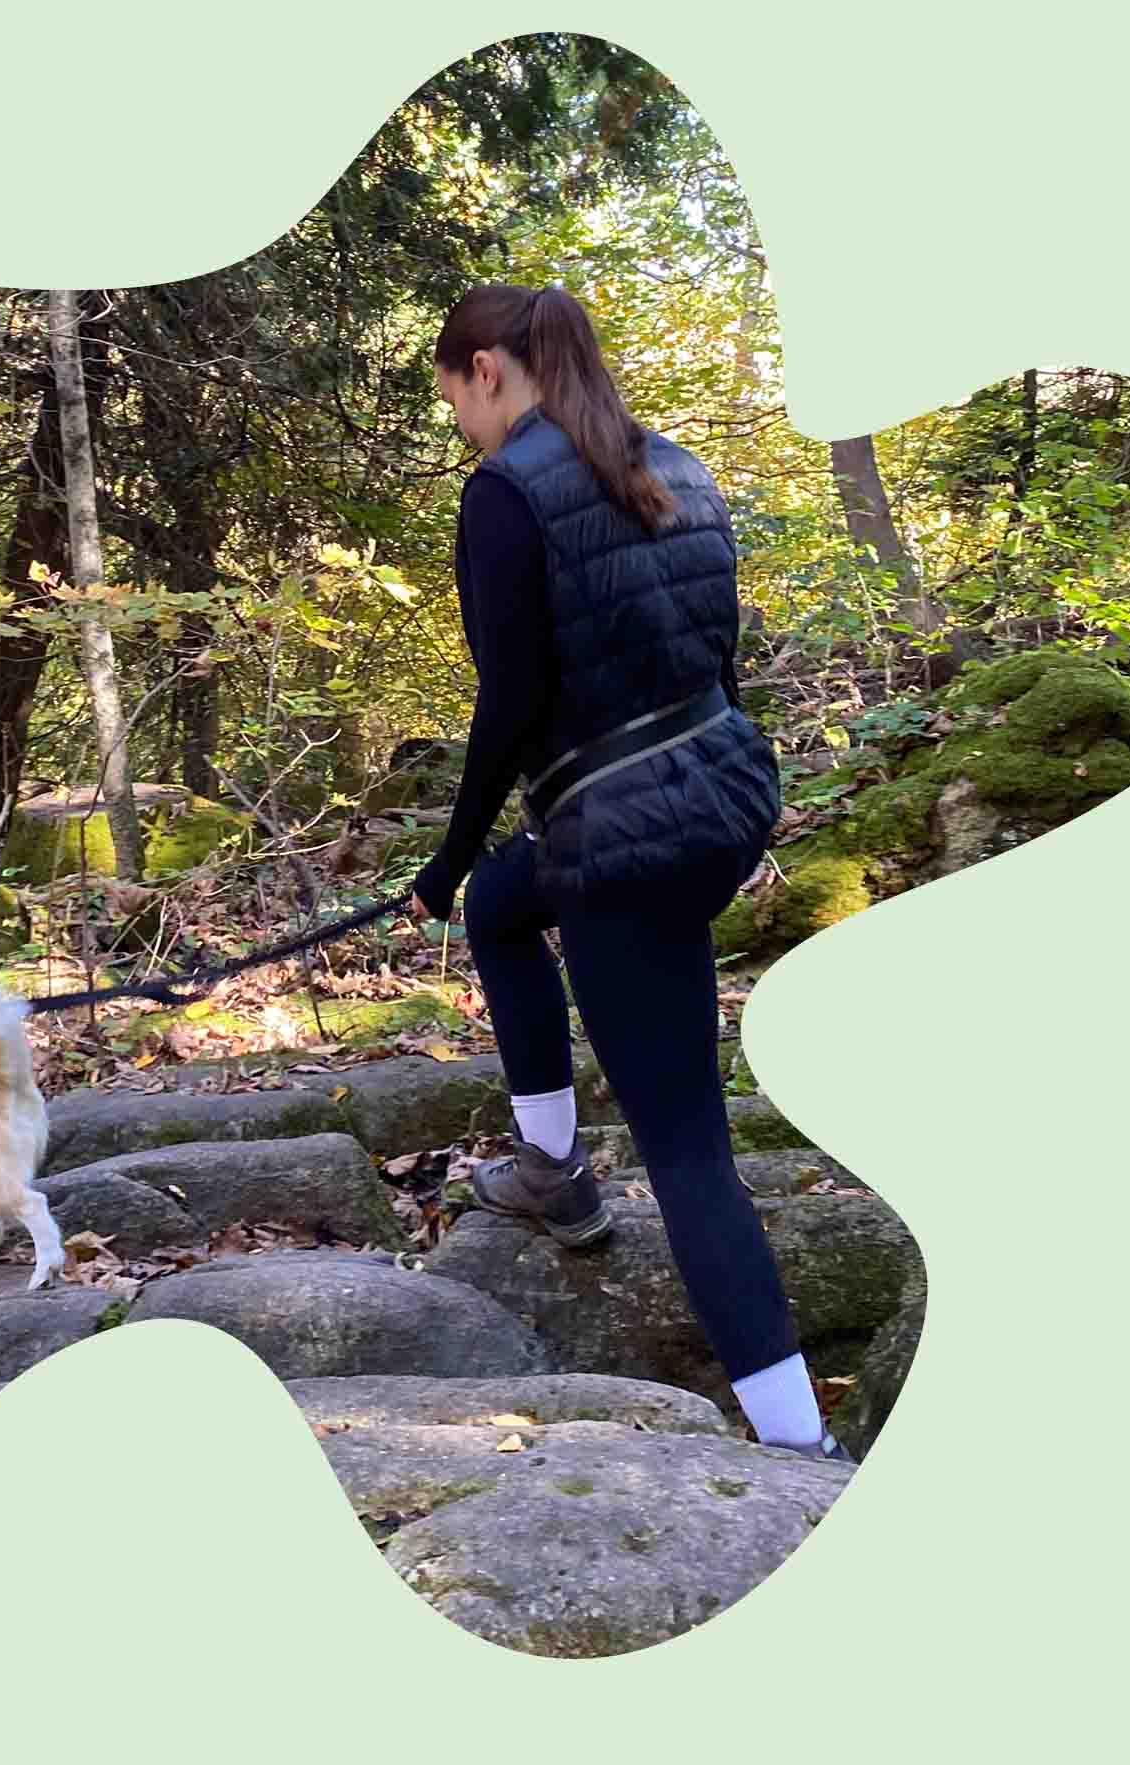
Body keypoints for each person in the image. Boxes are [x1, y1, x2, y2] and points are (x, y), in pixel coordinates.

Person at [406, 281, 851, 1463]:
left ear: (488, 370)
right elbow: (717, 649)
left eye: (452, 394)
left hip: (626, 843)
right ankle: (552, 1169)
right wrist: (481, 872)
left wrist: (445, 856)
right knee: (507, 906)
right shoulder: (680, 468)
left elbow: (505, 707)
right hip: (719, 796)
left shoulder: (505, 495)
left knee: (689, 1149)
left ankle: (800, 1454)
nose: (458, 419)